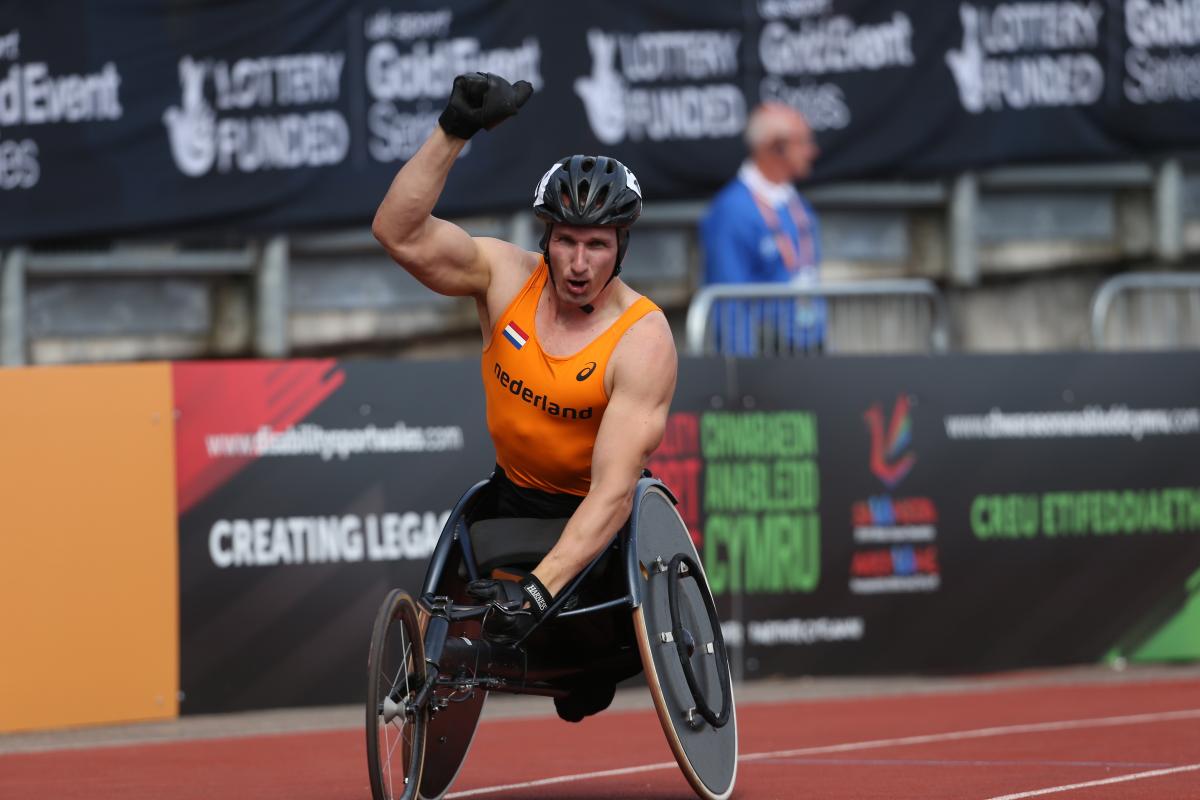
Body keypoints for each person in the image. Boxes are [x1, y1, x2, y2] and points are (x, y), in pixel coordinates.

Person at [372, 72, 677, 720]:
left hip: (595, 521)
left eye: (596, 244)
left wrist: (540, 591)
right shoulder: (505, 276)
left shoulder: (642, 339)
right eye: (566, 240)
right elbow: (398, 234)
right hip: (511, 498)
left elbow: (615, 493)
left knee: (580, 689)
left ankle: (579, 663)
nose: (577, 261)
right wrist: (453, 129)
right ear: (545, 238)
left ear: (621, 247)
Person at [700, 102, 825, 354]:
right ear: (775, 147)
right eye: (802, 142)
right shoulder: (731, 211)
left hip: (809, 347)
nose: (812, 151)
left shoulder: (798, 204)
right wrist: (743, 375)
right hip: (766, 358)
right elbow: (728, 299)